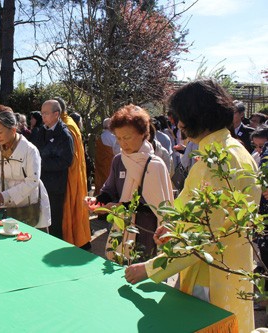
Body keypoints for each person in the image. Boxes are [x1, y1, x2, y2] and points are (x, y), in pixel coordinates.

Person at [124, 79, 261, 333]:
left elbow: (203, 239)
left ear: (195, 117)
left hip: (210, 277)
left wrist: (150, 268)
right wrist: (174, 227)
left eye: (180, 118)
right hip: (234, 266)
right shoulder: (236, 151)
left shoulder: (214, 162)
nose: (178, 125)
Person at [88, 105, 174, 259]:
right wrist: (97, 201)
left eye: (126, 138)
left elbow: (157, 207)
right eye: (118, 138)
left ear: (143, 134)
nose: (122, 144)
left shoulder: (154, 165)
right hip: (121, 228)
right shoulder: (118, 160)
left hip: (147, 231)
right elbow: (110, 189)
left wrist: (122, 207)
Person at [30, 100, 74, 239]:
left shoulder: (64, 134)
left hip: (55, 185)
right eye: (42, 113)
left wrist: (41, 164)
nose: (42, 116)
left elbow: (66, 161)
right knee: (39, 218)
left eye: (46, 113)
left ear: (56, 114)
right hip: (39, 182)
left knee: (54, 221)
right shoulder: (42, 130)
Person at [53, 100, 91, 249]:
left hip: (69, 174)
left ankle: (73, 239)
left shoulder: (66, 126)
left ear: (58, 112)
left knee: (70, 208)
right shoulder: (69, 122)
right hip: (75, 173)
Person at [94, 118, 120, 195]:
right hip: (109, 165)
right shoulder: (112, 137)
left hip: (100, 165)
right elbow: (117, 151)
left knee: (101, 183)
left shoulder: (100, 136)